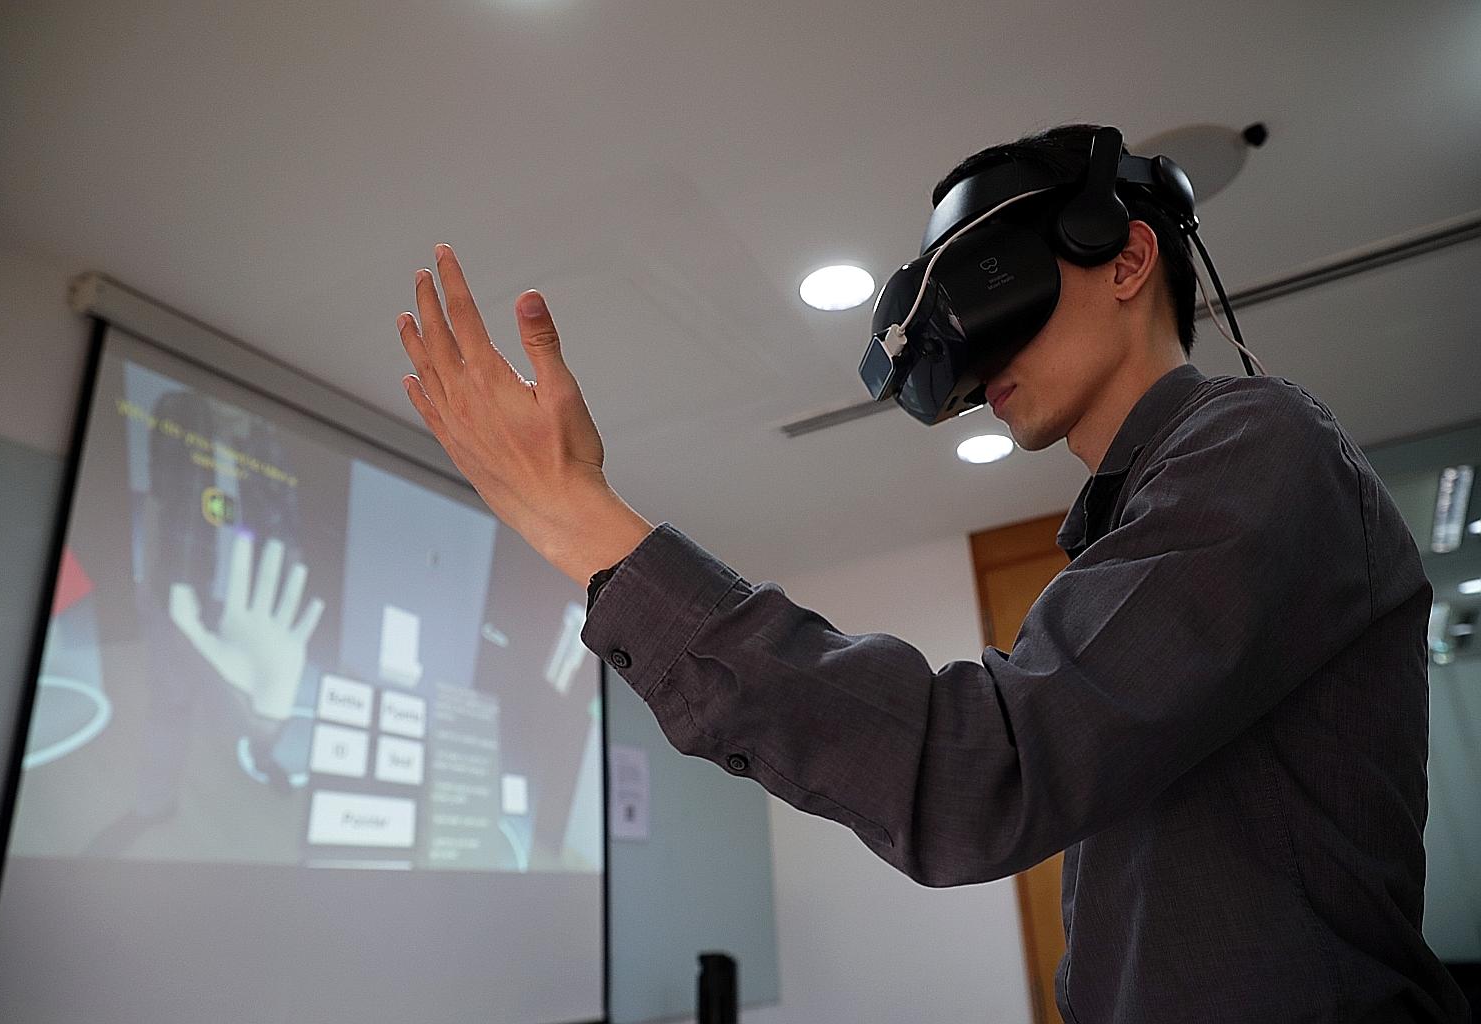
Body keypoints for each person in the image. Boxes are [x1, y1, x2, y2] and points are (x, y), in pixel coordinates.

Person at [392, 124, 1471, 1022]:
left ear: (1127, 257)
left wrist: (586, 522)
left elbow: (977, 773)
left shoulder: (1261, 445)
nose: (974, 356)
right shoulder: (1128, 537)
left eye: (993, 285)